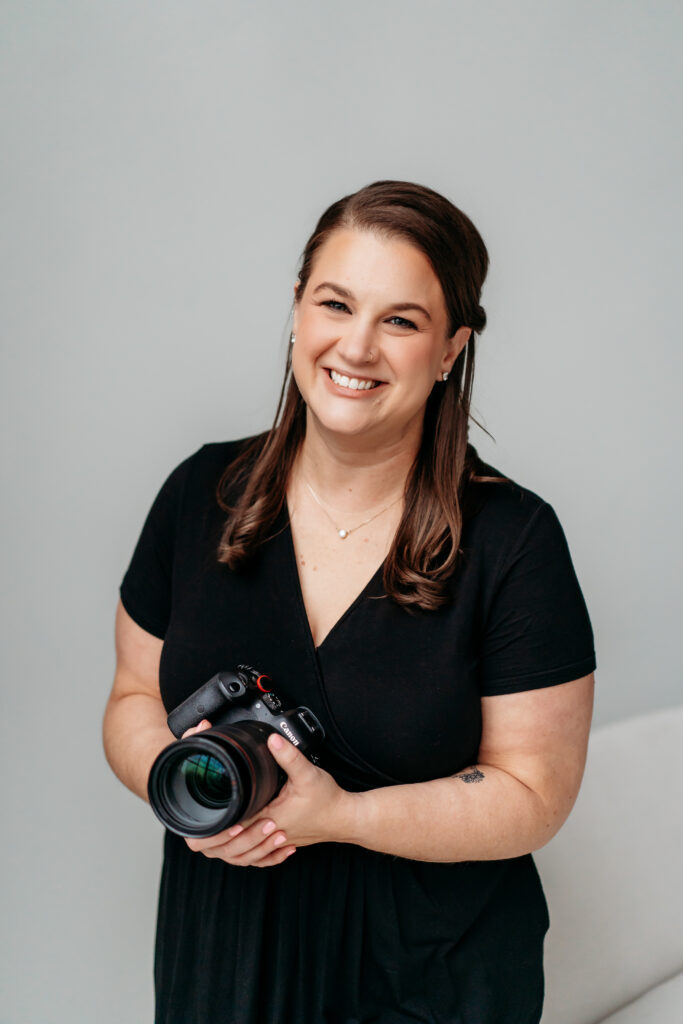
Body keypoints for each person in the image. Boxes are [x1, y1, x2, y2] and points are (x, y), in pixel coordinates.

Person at [103, 179, 596, 1024]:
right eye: (336, 303)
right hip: (221, 955)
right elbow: (132, 698)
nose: (356, 347)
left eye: (400, 321)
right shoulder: (198, 493)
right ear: (297, 308)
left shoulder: (515, 541)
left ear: (449, 350)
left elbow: (531, 796)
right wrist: (184, 792)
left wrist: (342, 816)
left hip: (426, 978)